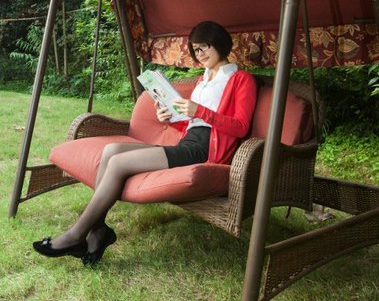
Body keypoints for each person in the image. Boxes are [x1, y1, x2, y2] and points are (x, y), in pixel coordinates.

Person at [32, 20, 257, 264]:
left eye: (204, 47)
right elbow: (193, 123)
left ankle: (76, 235)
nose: (200, 53)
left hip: (205, 150)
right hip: (189, 143)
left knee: (118, 163)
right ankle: (98, 231)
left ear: (219, 44)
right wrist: (171, 119)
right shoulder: (203, 80)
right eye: (195, 49)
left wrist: (199, 111)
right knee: (111, 150)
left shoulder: (240, 79)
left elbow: (240, 127)